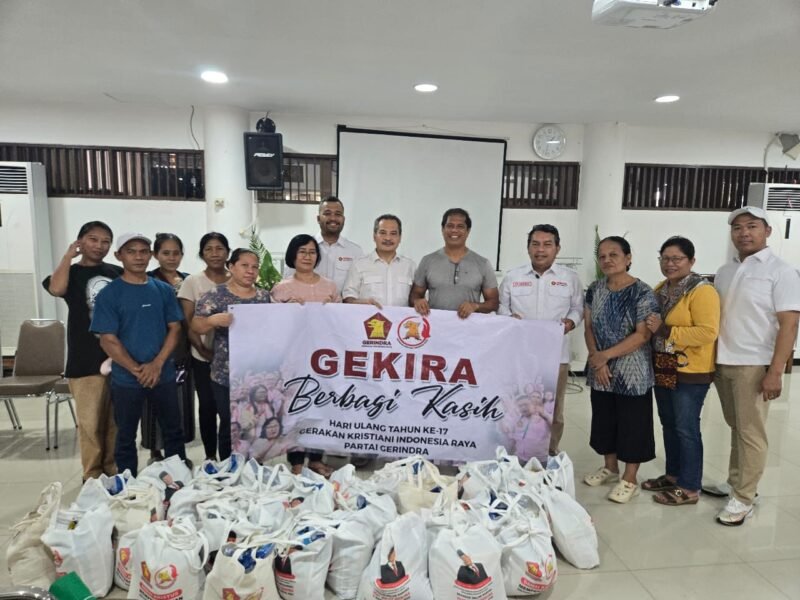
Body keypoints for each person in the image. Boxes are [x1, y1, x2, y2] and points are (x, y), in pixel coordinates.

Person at [707, 206, 800, 526]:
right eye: (737, 228)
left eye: (752, 226)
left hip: (754, 364)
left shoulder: (781, 271)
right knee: (737, 426)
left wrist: (775, 371)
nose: (744, 233)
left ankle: (745, 497)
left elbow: (789, 325)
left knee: (751, 432)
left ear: (767, 231)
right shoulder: (725, 270)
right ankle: (736, 482)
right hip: (724, 361)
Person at [90, 233, 186, 476]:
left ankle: (178, 479)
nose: (138, 257)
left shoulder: (163, 290)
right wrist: (137, 369)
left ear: (151, 255)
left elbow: (175, 328)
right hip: (126, 379)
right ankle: (128, 483)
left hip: (163, 375)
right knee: (125, 434)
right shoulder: (109, 294)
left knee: (173, 430)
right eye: (131, 251)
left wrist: (157, 364)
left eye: (143, 251)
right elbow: (108, 339)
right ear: (118, 256)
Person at [641, 237, 720, 506]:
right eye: (665, 258)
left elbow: (707, 332)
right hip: (664, 365)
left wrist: (665, 330)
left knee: (686, 428)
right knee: (669, 423)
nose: (670, 264)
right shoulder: (661, 288)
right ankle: (673, 475)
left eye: (677, 259)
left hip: (691, 370)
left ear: (691, 261)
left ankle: (689, 487)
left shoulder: (702, 291)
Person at [43, 221, 122, 481]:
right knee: (90, 423)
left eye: (105, 241)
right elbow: (56, 289)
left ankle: (111, 468)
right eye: (93, 239)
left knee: (114, 421)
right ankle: (92, 474)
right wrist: (68, 256)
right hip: (84, 358)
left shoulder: (116, 272)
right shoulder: (71, 272)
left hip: (118, 356)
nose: (99, 245)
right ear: (80, 242)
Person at [583, 236, 659, 503]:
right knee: (604, 419)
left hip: (632, 371)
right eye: (602, 256)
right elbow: (588, 327)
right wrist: (597, 359)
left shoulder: (642, 292)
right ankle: (610, 467)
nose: (607, 260)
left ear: (628, 258)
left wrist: (604, 356)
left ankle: (629, 478)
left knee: (633, 423)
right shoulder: (595, 289)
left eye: (613, 254)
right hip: (600, 367)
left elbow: (642, 335)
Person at [498, 224, 583, 455]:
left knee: (553, 408)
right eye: (535, 244)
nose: (541, 250)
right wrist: (509, 317)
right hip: (519, 355)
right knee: (516, 405)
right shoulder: (513, 277)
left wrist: (571, 322)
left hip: (556, 356)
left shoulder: (570, 278)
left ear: (557, 248)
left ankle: (550, 453)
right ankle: (512, 452)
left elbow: (578, 308)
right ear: (528, 248)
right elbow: (502, 306)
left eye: (547, 244)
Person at [192, 249, 271, 461]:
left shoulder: (264, 297)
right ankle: (228, 467)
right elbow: (196, 326)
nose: (250, 271)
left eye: (255, 267)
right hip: (225, 374)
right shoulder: (215, 295)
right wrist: (212, 321)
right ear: (231, 267)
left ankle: (252, 466)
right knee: (229, 424)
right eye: (245, 266)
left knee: (255, 423)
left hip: (256, 374)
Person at [272, 234, 339, 476]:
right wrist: (287, 310)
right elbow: (272, 324)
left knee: (320, 408)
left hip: (324, 359)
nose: (307, 256)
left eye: (312, 252)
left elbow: (341, 320)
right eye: (302, 251)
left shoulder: (330, 287)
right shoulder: (281, 288)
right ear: (293, 255)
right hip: (294, 358)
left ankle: (316, 459)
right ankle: (297, 461)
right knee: (296, 409)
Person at [178, 232, 231, 461]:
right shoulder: (192, 282)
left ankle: (229, 457)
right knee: (208, 407)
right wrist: (202, 350)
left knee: (229, 411)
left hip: (232, 359)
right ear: (201, 254)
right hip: (203, 356)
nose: (215, 253)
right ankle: (210, 457)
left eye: (219, 248)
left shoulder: (237, 278)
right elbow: (187, 321)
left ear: (227, 252)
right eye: (209, 249)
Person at [141, 233, 192, 464]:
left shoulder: (188, 280)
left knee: (181, 404)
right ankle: (155, 452)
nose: (171, 258)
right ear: (156, 255)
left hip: (183, 349)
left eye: (176, 253)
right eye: (166, 253)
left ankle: (178, 454)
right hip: (153, 349)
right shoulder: (147, 280)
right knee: (153, 403)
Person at [410, 208, 499, 318]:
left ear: (468, 231)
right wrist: (417, 301)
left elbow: (494, 303)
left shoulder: (483, 263)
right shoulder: (427, 261)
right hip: (435, 326)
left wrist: (476, 306)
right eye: (450, 226)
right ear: (442, 229)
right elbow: (415, 294)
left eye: (460, 226)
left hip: (470, 327)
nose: (454, 230)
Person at [284, 196, 363, 295]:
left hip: (341, 304)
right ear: (318, 218)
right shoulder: (303, 247)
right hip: (305, 303)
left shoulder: (355, 251)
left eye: (338, 214)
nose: (333, 218)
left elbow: (358, 287)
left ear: (343, 219)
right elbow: (288, 280)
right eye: (327, 213)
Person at [342, 214, 416, 308]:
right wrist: (361, 303)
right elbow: (348, 298)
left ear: (400, 238)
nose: (388, 238)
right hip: (369, 317)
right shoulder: (359, 265)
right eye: (383, 233)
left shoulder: (410, 266)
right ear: (374, 236)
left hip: (401, 318)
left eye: (393, 233)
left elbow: (418, 299)